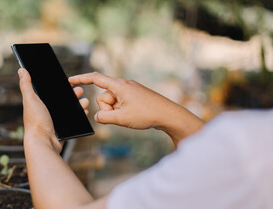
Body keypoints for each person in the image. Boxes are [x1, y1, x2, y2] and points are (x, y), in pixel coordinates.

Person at [18, 68, 273, 209]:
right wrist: (169, 115)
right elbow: (220, 168)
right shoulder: (249, 146)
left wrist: (41, 136)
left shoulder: (248, 149)